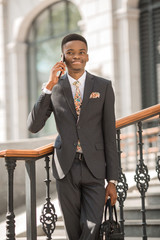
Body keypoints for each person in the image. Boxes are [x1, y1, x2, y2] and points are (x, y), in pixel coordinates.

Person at [27, 33, 119, 240]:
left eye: (81, 52)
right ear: (63, 57)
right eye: (70, 53)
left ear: (87, 57)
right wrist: (49, 86)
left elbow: (109, 133)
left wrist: (112, 179)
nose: (76, 56)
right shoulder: (55, 88)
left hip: (95, 169)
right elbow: (33, 126)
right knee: (73, 230)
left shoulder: (103, 86)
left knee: (92, 227)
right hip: (65, 168)